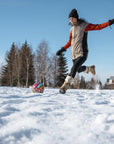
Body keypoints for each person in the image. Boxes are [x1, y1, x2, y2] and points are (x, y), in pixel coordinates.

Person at [56, 9, 114, 94]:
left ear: (76, 18)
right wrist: (63, 49)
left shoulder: (84, 26)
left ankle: (65, 85)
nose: (71, 20)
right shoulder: (71, 29)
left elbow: (98, 27)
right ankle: (90, 68)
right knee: (77, 69)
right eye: (69, 19)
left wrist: (109, 22)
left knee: (74, 68)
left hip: (82, 52)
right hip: (74, 54)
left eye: (72, 18)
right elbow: (70, 42)